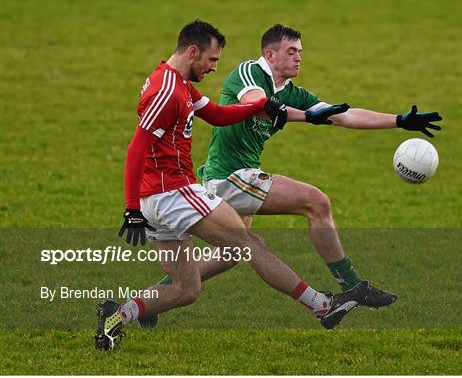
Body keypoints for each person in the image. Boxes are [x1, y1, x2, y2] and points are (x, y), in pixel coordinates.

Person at [95, 20, 397, 351]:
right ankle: (323, 306)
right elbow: (136, 148)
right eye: (211, 60)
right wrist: (130, 208)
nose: (213, 68)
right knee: (248, 243)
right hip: (174, 193)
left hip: (157, 199)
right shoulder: (166, 90)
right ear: (193, 51)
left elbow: (219, 114)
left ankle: (117, 315)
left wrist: (261, 106)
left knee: (186, 288)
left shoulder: (179, 84)